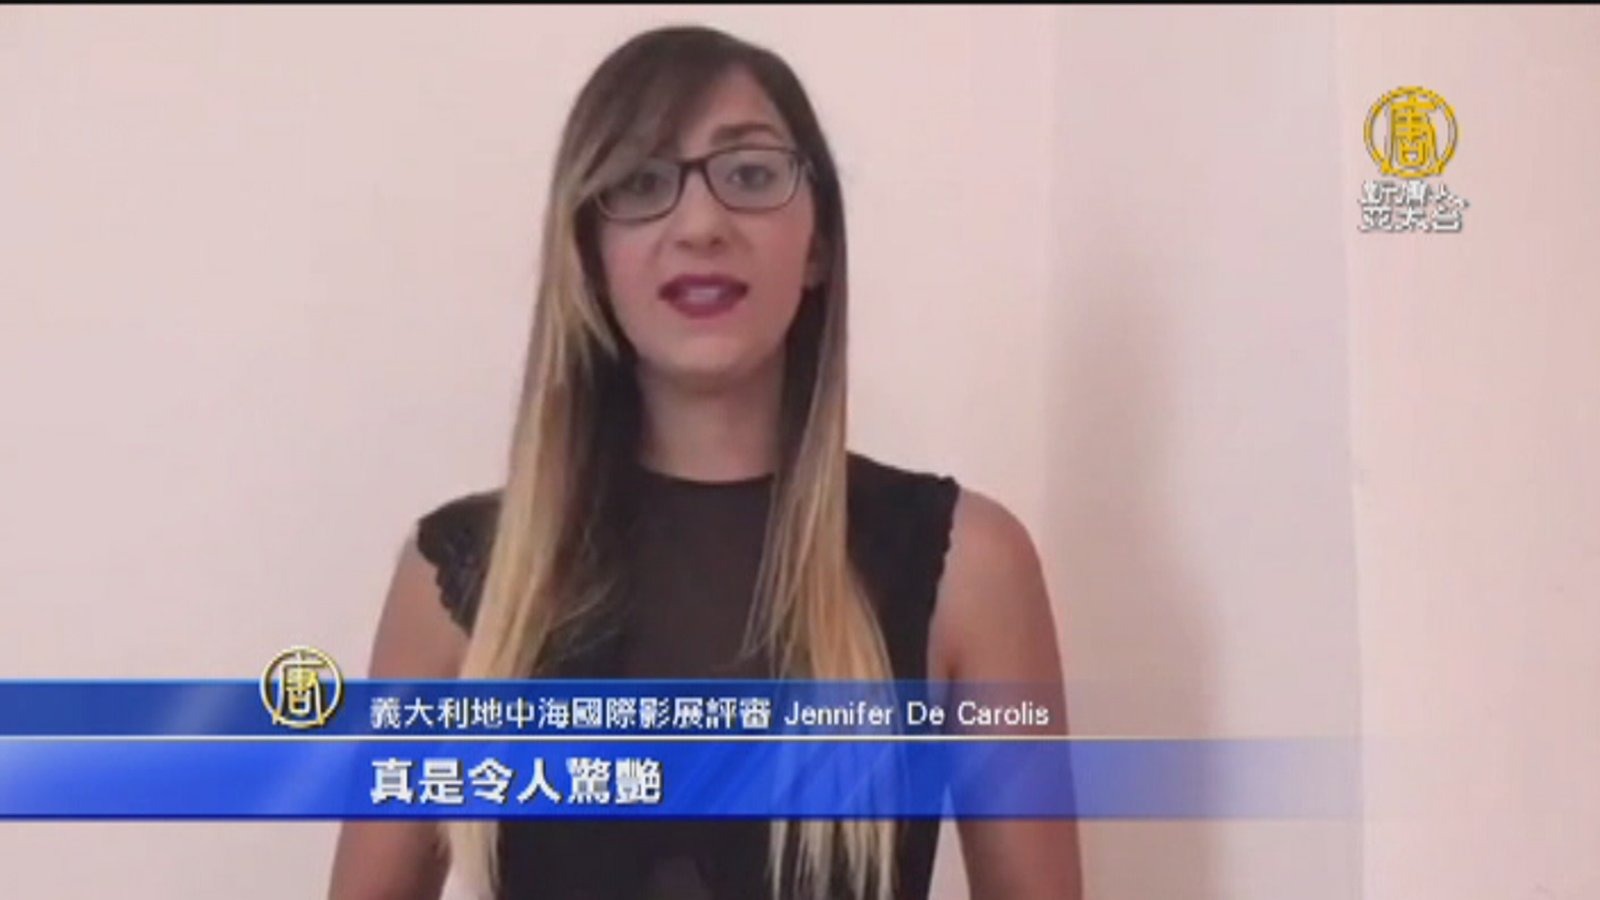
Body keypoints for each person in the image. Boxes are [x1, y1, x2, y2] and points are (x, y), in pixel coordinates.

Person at [328, 24, 1080, 900]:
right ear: (589, 255)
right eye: (643, 183)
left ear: (817, 244)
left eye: (751, 175)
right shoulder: (459, 581)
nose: (700, 225)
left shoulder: (967, 567)